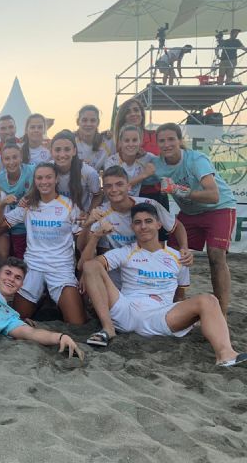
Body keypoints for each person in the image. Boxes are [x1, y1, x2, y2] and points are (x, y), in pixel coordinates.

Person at [81, 203, 246, 368]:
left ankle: (226, 355)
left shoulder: (178, 257)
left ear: (158, 224)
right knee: (91, 266)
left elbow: (180, 296)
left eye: (148, 221)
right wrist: (96, 236)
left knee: (209, 300)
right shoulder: (125, 251)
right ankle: (107, 328)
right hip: (126, 311)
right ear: (132, 227)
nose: (143, 226)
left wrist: (191, 316)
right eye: (138, 222)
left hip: (162, 316)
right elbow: (85, 265)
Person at [153, 123, 237, 316]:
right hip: (190, 213)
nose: (167, 144)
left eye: (171, 139)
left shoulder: (196, 159)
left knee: (216, 257)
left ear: (180, 141)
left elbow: (213, 195)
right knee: (172, 254)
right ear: (157, 144)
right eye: (162, 140)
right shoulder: (157, 165)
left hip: (219, 208)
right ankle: (177, 302)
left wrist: (179, 190)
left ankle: (221, 315)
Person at [0, 163, 86, 325]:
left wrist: (83, 271)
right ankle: (43, 301)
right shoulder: (28, 204)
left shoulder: (68, 205)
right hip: (33, 266)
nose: (44, 182)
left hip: (60, 267)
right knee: (15, 320)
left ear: (56, 179)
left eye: (48, 177)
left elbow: (81, 242)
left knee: (77, 323)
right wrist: (2, 205)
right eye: (39, 178)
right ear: (34, 181)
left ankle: (49, 300)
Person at [77, 166, 191, 291]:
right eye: (109, 186)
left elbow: (177, 226)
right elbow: (82, 248)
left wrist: (184, 248)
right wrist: (88, 225)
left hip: (148, 268)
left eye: (119, 184)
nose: (114, 189)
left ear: (129, 186)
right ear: (104, 189)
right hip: (117, 268)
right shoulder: (102, 212)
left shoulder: (149, 205)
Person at [112, 98, 166, 209]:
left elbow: (166, 162)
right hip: (129, 196)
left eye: (136, 110)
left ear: (142, 113)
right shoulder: (114, 140)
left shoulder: (156, 135)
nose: (133, 114)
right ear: (123, 117)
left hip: (155, 193)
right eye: (128, 111)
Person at [0, 141, 36, 259]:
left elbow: (48, 178)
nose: (11, 162)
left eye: (15, 157)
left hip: (35, 223)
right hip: (16, 226)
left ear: (21, 157)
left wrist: (30, 197)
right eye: (7, 159)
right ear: (2, 161)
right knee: (21, 258)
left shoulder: (33, 170)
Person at [50, 129, 102, 214]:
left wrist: (89, 214)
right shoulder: (47, 170)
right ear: (51, 151)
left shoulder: (88, 172)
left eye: (67, 149)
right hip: (55, 218)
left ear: (74, 151)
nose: (62, 155)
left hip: (79, 219)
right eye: (57, 150)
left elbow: (98, 195)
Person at [104, 125, 156, 196]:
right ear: (120, 143)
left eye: (134, 140)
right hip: (114, 203)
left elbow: (165, 162)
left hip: (134, 203)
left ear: (140, 142)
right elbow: (117, 187)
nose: (131, 144)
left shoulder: (147, 158)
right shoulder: (111, 162)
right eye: (126, 140)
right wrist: (144, 175)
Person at [75, 105, 115, 171]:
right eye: (84, 120)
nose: (88, 124)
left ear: (98, 122)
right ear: (78, 122)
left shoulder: (108, 142)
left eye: (93, 120)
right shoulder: (70, 141)